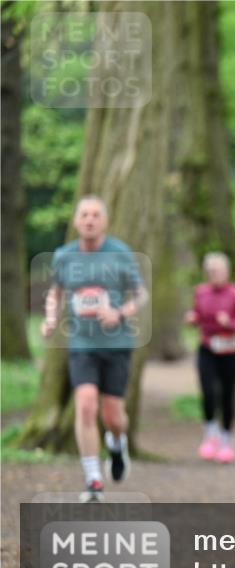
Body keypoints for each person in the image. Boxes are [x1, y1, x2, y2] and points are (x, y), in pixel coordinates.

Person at [41, 195, 147, 502]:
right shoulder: (64, 256)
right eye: (84, 215)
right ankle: (93, 481)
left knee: (113, 415)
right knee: (86, 404)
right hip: (82, 344)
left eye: (95, 215)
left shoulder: (120, 253)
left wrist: (120, 313)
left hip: (117, 344)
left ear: (105, 221)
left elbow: (140, 295)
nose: (89, 220)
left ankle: (117, 444)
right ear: (75, 221)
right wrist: (50, 320)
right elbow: (56, 293)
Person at [185, 253, 235, 464]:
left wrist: (230, 323)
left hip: (230, 350)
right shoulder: (201, 292)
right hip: (207, 347)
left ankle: (226, 441)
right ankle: (210, 435)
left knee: (226, 395)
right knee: (208, 392)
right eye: (211, 270)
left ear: (227, 271)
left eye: (219, 270)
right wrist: (192, 318)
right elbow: (197, 315)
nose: (215, 274)